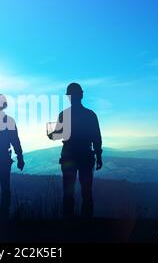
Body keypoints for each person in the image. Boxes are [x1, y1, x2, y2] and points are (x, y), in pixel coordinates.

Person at [48, 83, 103, 218]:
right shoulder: (90, 115)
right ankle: (86, 227)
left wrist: (50, 133)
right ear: (81, 95)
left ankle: (69, 225)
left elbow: (56, 135)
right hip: (85, 156)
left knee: (68, 192)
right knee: (86, 193)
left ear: (69, 97)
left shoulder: (64, 115)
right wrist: (99, 156)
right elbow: (96, 137)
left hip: (69, 156)